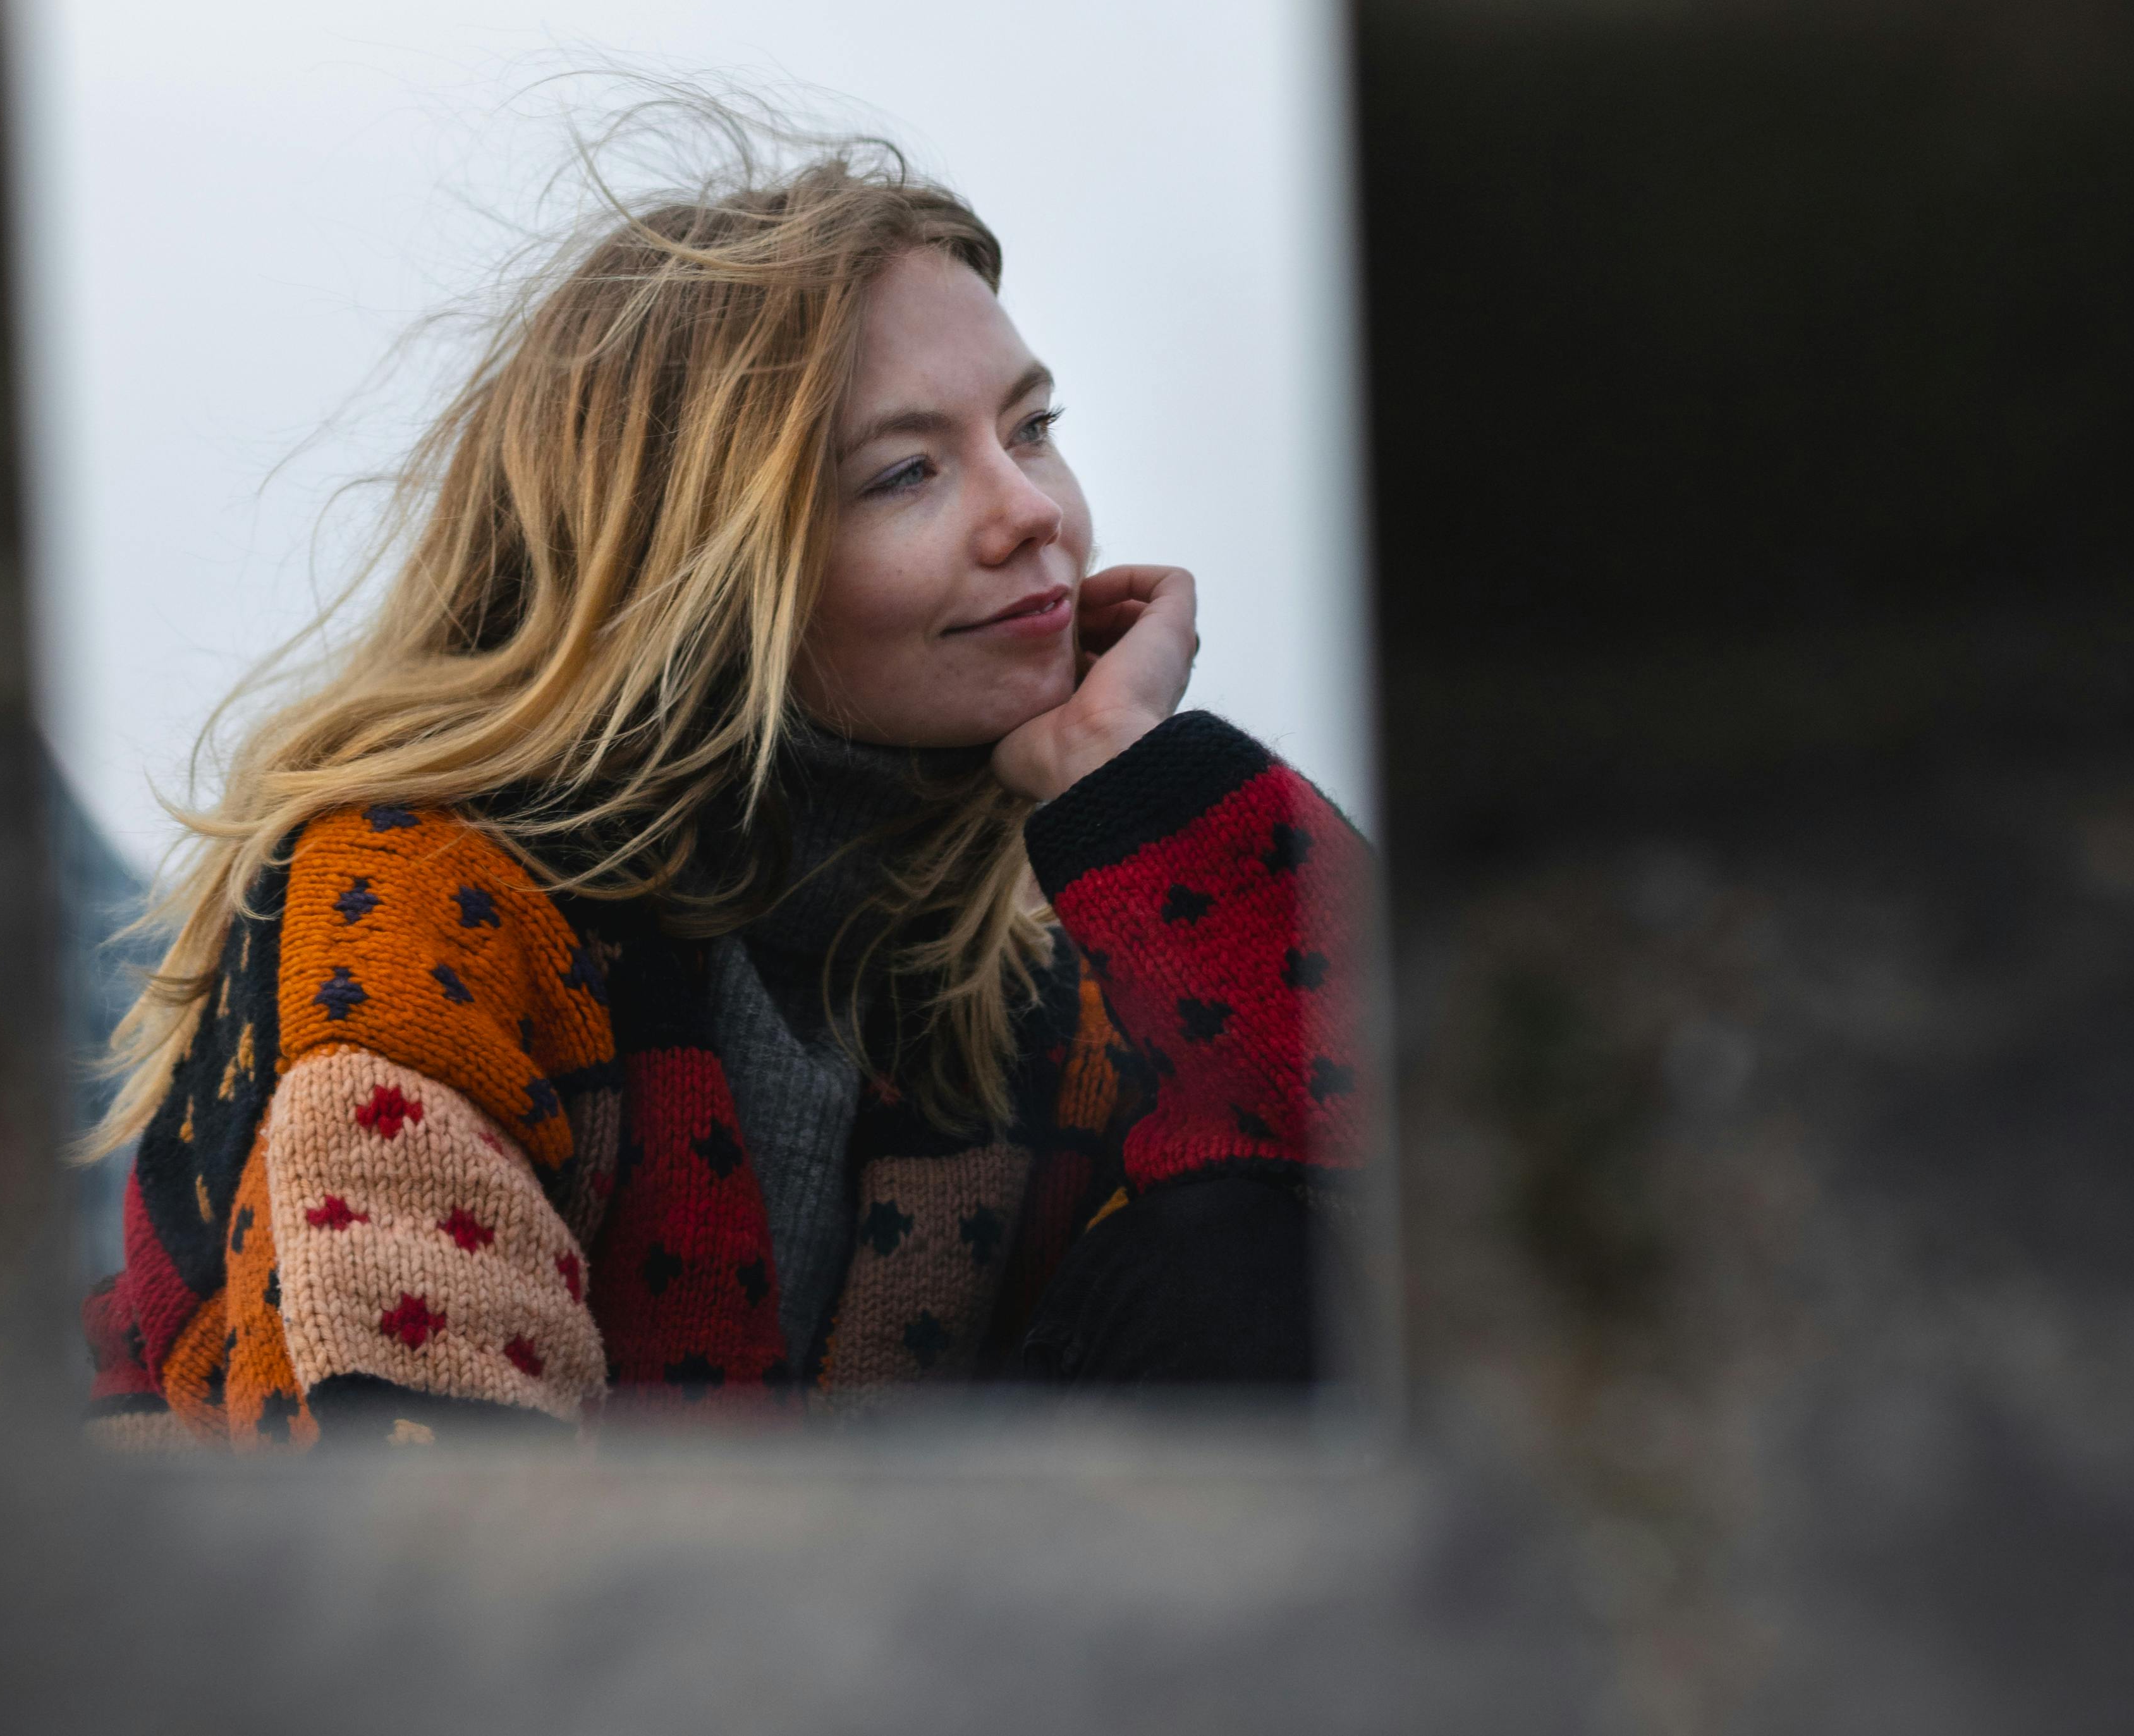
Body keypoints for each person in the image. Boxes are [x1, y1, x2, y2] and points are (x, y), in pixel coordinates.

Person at [82, 119, 1370, 1444]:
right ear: (703, 565)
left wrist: (1141, 789)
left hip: (867, 1625)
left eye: (1031, 426)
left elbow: (1423, 1241)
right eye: (906, 470)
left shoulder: (1028, 986)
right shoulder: (418, 898)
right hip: (401, 1632)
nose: (1033, 510)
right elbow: (410, 1491)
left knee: (1273, 1241)